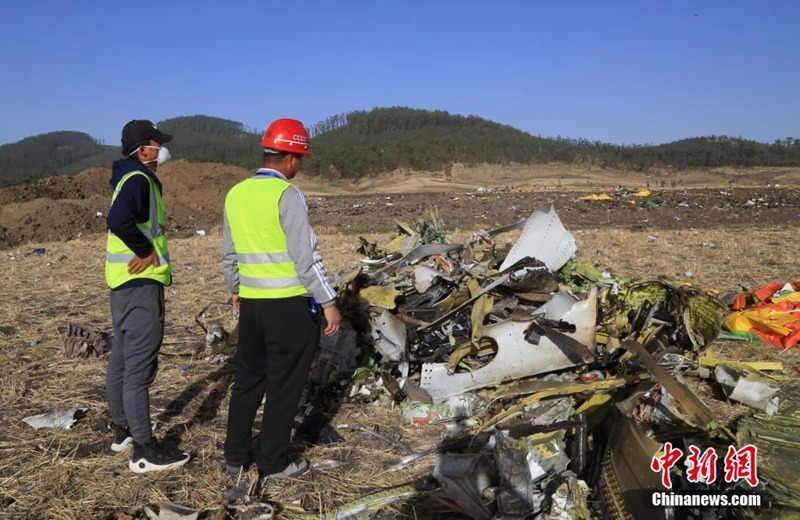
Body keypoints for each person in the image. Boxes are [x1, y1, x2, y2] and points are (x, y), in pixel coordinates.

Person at [222, 117, 341, 481]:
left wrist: (236, 289)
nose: (299, 165)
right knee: (285, 386)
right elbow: (306, 259)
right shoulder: (287, 195)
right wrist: (329, 302)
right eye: (300, 158)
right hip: (289, 307)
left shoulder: (236, 193)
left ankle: (235, 458)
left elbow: (230, 254)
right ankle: (273, 462)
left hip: (253, 307)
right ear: (290, 158)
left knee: (248, 382)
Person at [104, 119, 190, 473]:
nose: (162, 149)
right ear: (143, 150)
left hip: (122, 286)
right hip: (140, 287)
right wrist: (144, 250)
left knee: (122, 359)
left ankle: (122, 430)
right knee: (139, 368)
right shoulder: (139, 179)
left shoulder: (126, 177)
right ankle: (144, 450)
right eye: (157, 144)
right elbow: (118, 220)